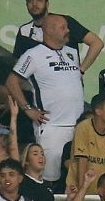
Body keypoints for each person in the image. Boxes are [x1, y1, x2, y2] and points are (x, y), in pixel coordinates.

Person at [6, 13, 85, 183]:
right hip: (52, 127)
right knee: (50, 178)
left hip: (79, 126)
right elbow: (12, 81)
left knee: (77, 178)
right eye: (63, 27)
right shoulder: (33, 55)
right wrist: (28, 109)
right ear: (49, 30)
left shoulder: (72, 52)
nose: (68, 30)